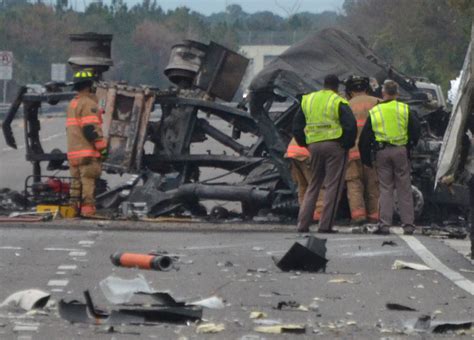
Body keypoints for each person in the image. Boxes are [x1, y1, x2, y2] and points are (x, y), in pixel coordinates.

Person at [292, 74, 357, 233]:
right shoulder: (338, 101)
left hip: (314, 146)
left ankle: (302, 224)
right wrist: (345, 145)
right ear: (337, 87)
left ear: (324, 84)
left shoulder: (309, 100)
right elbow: (350, 125)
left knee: (313, 184)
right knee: (332, 186)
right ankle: (325, 225)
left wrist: (305, 143)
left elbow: (296, 125)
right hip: (335, 146)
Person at [359, 80, 420, 235]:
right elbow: (415, 130)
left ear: (383, 93)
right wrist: (410, 146)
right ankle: (408, 224)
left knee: (385, 188)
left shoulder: (375, 111)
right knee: (404, 188)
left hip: (382, 152)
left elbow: (365, 138)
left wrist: (366, 159)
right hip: (400, 151)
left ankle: (385, 224)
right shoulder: (405, 109)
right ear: (397, 93)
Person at [67, 70, 107, 217]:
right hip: (87, 152)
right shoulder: (89, 104)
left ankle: (73, 209)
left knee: (75, 183)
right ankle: (87, 210)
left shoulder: (73, 104)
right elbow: (90, 129)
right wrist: (102, 149)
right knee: (88, 181)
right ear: (89, 86)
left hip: (73, 152)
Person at [345, 76, 380, 224]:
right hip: (371, 153)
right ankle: (375, 216)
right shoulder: (377, 103)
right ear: (367, 89)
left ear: (350, 91)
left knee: (354, 184)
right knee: (373, 185)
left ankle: (358, 216)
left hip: (352, 152)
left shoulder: (345, 105)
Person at [285, 137, 324, 221]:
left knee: (302, 185)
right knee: (317, 184)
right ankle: (319, 213)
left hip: (292, 152)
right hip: (305, 154)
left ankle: (304, 213)